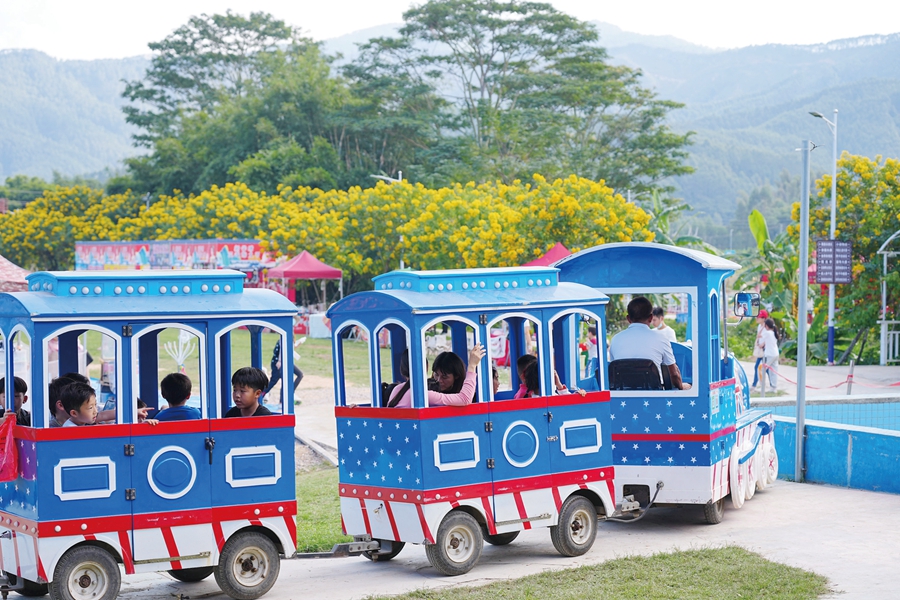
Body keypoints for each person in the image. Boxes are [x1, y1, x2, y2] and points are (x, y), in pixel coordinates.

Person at [609, 296, 691, 390]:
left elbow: (613, 373)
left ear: (628, 318)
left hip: (623, 395)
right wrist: (682, 387)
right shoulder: (661, 339)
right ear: (651, 318)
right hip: (655, 396)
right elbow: (674, 375)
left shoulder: (615, 339)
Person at [389, 344, 485, 408]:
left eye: (445, 377)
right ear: (426, 367)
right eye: (436, 374)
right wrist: (472, 366)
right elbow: (465, 399)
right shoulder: (424, 394)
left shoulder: (397, 389)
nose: (439, 380)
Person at [751, 310, 769, 390]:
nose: (757, 319)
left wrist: (763, 344)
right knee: (760, 367)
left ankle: (755, 385)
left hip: (765, 350)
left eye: (759, 317)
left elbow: (769, 337)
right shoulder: (759, 326)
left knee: (763, 368)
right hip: (760, 350)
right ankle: (756, 384)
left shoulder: (767, 327)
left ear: (763, 318)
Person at [760, 318, 780, 391]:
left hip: (769, 354)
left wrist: (762, 327)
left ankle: (762, 387)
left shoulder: (768, 333)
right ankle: (774, 387)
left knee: (761, 369)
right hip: (775, 353)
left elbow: (759, 335)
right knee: (773, 371)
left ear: (767, 326)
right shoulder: (774, 332)